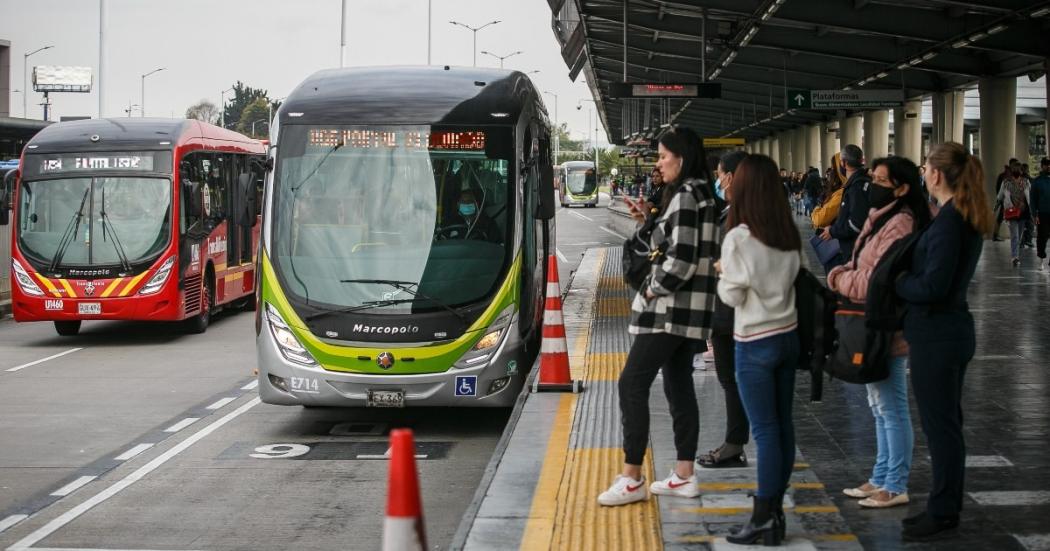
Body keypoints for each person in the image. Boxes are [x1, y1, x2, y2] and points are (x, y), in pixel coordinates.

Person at [598, 126, 719, 507]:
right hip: (691, 314)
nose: (659, 163)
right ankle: (684, 474)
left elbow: (680, 259)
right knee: (678, 386)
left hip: (668, 311)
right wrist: (647, 221)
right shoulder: (702, 195)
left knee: (631, 384)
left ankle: (631, 476)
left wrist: (652, 289)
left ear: (681, 158)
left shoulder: (685, 196)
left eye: (664, 156)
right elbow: (677, 246)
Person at [895, 142, 992, 541]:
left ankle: (943, 509)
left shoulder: (951, 221)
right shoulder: (958, 216)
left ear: (935, 174)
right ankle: (943, 504)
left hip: (939, 333)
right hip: (949, 331)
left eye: (925, 168)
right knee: (946, 425)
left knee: (942, 428)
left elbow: (934, 285)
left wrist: (900, 282)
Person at [827, 156, 931, 509]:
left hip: (887, 327)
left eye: (881, 180)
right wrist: (844, 271)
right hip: (873, 325)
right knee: (879, 405)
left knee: (892, 407)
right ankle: (880, 476)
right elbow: (862, 265)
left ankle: (895, 483)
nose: (872, 184)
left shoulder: (899, 224)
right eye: (872, 177)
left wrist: (838, 278)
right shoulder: (881, 219)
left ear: (901, 189)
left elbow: (876, 280)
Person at [716, 154, 802, 545]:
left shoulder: (739, 238)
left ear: (746, 188)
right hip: (788, 337)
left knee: (765, 433)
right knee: (783, 427)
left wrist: (722, 272)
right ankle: (776, 511)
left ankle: (764, 514)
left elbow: (732, 296)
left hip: (754, 344)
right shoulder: (787, 234)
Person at [696, 149, 750, 469]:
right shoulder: (736, 211)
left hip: (732, 316)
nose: (718, 180)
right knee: (732, 381)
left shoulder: (740, 217)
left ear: (731, 176)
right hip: (730, 315)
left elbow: (731, 271)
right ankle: (734, 441)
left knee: (733, 381)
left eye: (719, 175)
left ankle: (734, 443)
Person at [821, 144, 871, 262]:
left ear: (844, 163)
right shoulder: (860, 182)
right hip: (858, 249)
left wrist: (833, 231)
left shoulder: (856, 187)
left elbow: (856, 223)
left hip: (854, 252)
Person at [997, 159, 1029, 266]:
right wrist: (996, 207)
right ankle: (1015, 257)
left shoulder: (1026, 182)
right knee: (1014, 235)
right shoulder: (1006, 182)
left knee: (1018, 235)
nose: (1017, 171)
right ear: (1012, 170)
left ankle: (1016, 254)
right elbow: (1000, 196)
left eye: (1018, 169)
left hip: (1023, 212)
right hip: (1011, 212)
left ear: (1021, 170)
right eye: (1015, 169)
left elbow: (1030, 196)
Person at [812, 154, 847, 233]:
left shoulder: (840, 193)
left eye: (832, 168)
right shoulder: (843, 189)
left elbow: (819, 220)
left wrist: (817, 208)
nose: (830, 172)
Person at [1031, 157, 1050, 270]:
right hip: (1042, 214)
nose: (1049, 166)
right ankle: (1041, 259)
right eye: (1046, 164)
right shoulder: (1037, 181)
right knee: (1042, 237)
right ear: (1042, 166)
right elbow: (1033, 199)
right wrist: (1034, 214)